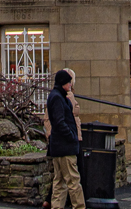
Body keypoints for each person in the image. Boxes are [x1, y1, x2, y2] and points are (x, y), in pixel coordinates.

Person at [46, 69, 85, 209]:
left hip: (58, 146)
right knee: (73, 181)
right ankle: (79, 207)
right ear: (63, 83)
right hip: (65, 147)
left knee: (59, 182)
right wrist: (72, 136)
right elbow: (59, 122)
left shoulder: (58, 96)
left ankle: (56, 207)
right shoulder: (58, 98)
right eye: (69, 82)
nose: (70, 84)